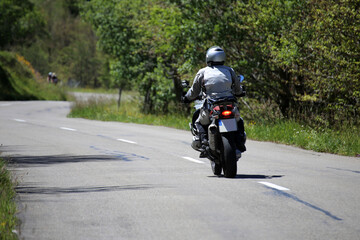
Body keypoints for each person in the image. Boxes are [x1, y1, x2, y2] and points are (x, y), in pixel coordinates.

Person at [182, 46, 246, 155]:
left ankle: (204, 142)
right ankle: (239, 140)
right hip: (230, 104)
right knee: (239, 120)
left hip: (212, 105)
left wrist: (186, 98)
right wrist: (241, 92)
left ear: (208, 57)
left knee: (198, 122)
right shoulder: (230, 70)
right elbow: (238, 89)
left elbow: (194, 91)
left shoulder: (203, 72)